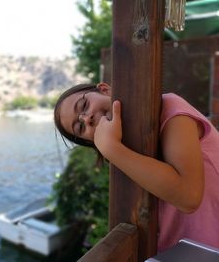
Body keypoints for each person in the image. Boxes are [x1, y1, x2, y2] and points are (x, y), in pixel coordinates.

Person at [54, 82, 219, 251]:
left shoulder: (168, 106)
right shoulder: (123, 151)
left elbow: (188, 198)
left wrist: (112, 149)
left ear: (104, 89)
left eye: (84, 105)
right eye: (80, 127)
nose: (86, 118)